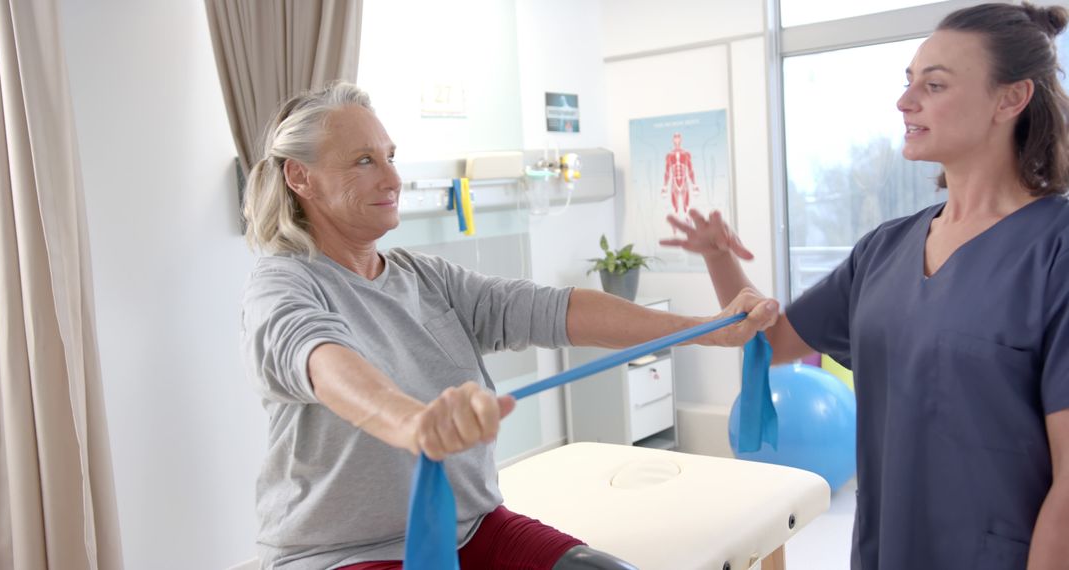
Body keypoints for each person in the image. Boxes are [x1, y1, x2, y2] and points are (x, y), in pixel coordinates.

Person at [239, 80, 778, 570]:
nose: (392, 178)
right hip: (340, 554)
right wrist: (414, 425)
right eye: (363, 161)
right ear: (299, 176)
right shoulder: (283, 284)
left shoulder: (424, 278)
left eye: (391, 157)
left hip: (474, 530)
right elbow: (325, 362)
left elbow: (555, 310)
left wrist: (707, 328)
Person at [662, 3, 1069, 568]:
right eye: (908, 83)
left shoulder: (1056, 250)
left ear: (1010, 99)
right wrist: (718, 259)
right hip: (887, 548)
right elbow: (774, 341)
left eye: (934, 84)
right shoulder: (885, 249)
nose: (906, 102)